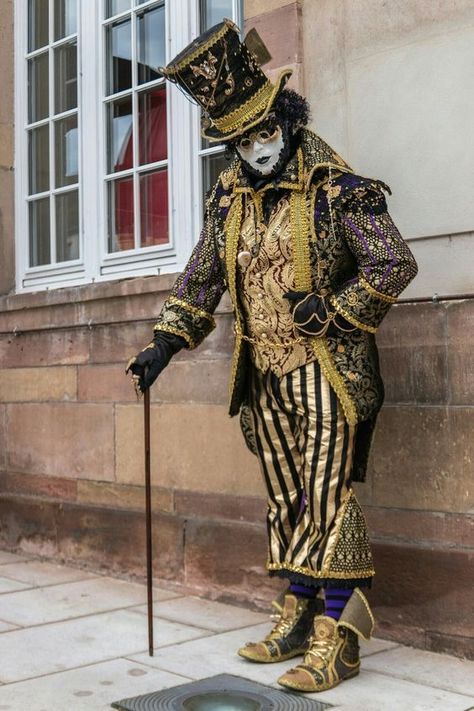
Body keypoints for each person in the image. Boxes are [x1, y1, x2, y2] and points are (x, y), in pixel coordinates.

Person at [126, 19, 418, 693]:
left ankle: (337, 635)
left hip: (328, 375)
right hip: (264, 374)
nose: (254, 148)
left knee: (327, 498)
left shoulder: (341, 187)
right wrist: (163, 343)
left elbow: (391, 262)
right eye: (239, 139)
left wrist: (338, 308)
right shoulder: (229, 195)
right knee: (287, 496)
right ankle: (296, 610)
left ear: (284, 118)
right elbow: (202, 273)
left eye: (262, 132)